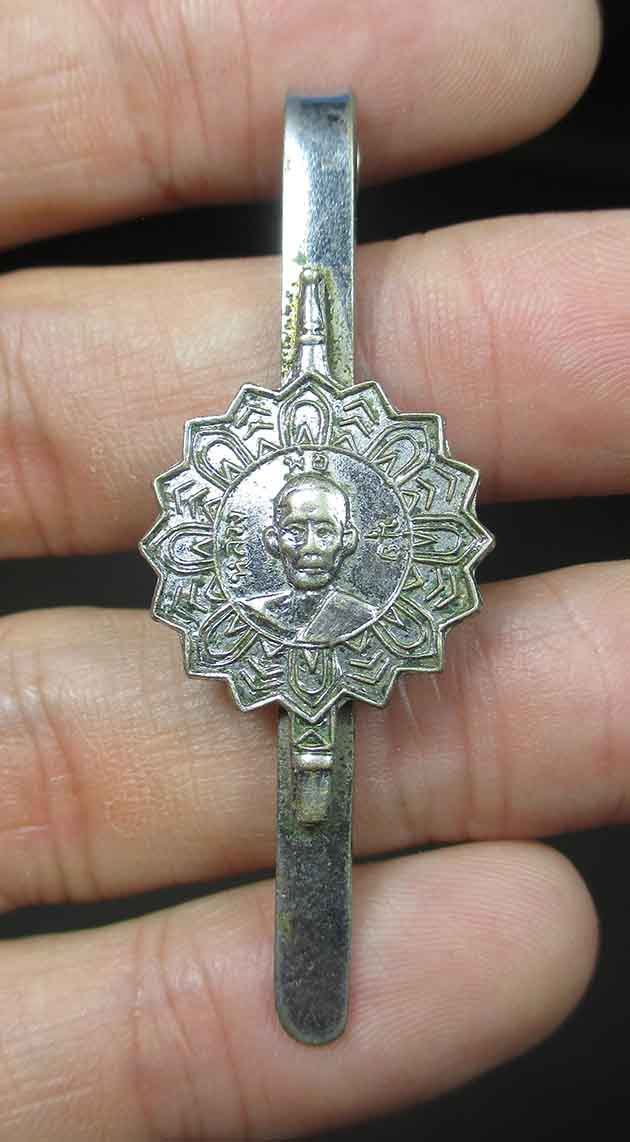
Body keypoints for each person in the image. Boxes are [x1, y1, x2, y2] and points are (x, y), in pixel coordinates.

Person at [0, 2, 623, 1140]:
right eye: (288, 530)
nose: (304, 548)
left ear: (363, 535)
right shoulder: (246, 575)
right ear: (260, 529)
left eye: (328, 533)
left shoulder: (378, 582)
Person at [244, 471, 378, 642]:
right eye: (295, 531)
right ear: (273, 540)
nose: (310, 547)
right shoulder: (253, 612)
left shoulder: (362, 617)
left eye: (324, 532)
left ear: (347, 540)